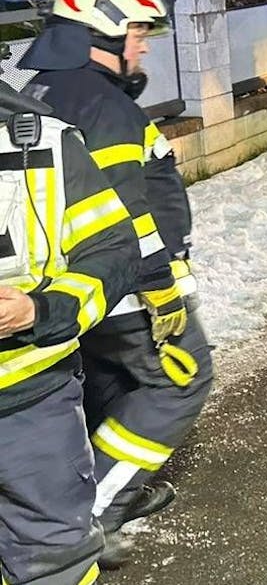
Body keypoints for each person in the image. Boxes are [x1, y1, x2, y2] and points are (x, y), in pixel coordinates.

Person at [19, 0, 215, 567]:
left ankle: (99, 486)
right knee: (180, 381)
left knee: (108, 387)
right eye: (136, 31)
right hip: (126, 290)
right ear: (100, 31)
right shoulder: (101, 108)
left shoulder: (50, 91)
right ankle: (93, 514)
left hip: (82, 289)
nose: (144, 43)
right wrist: (162, 294)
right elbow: (130, 219)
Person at [0, 76, 139, 585]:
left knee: (55, 562)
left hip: (28, 407)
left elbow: (112, 251)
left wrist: (40, 310)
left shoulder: (46, 144)